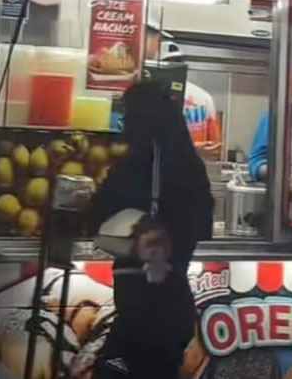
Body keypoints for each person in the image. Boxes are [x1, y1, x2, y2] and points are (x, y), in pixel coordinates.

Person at [90, 81, 214, 379]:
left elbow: (100, 211)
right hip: (173, 307)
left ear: (141, 118)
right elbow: (203, 224)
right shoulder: (187, 161)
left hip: (144, 311)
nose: (124, 125)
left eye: (128, 116)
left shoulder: (139, 161)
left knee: (112, 370)